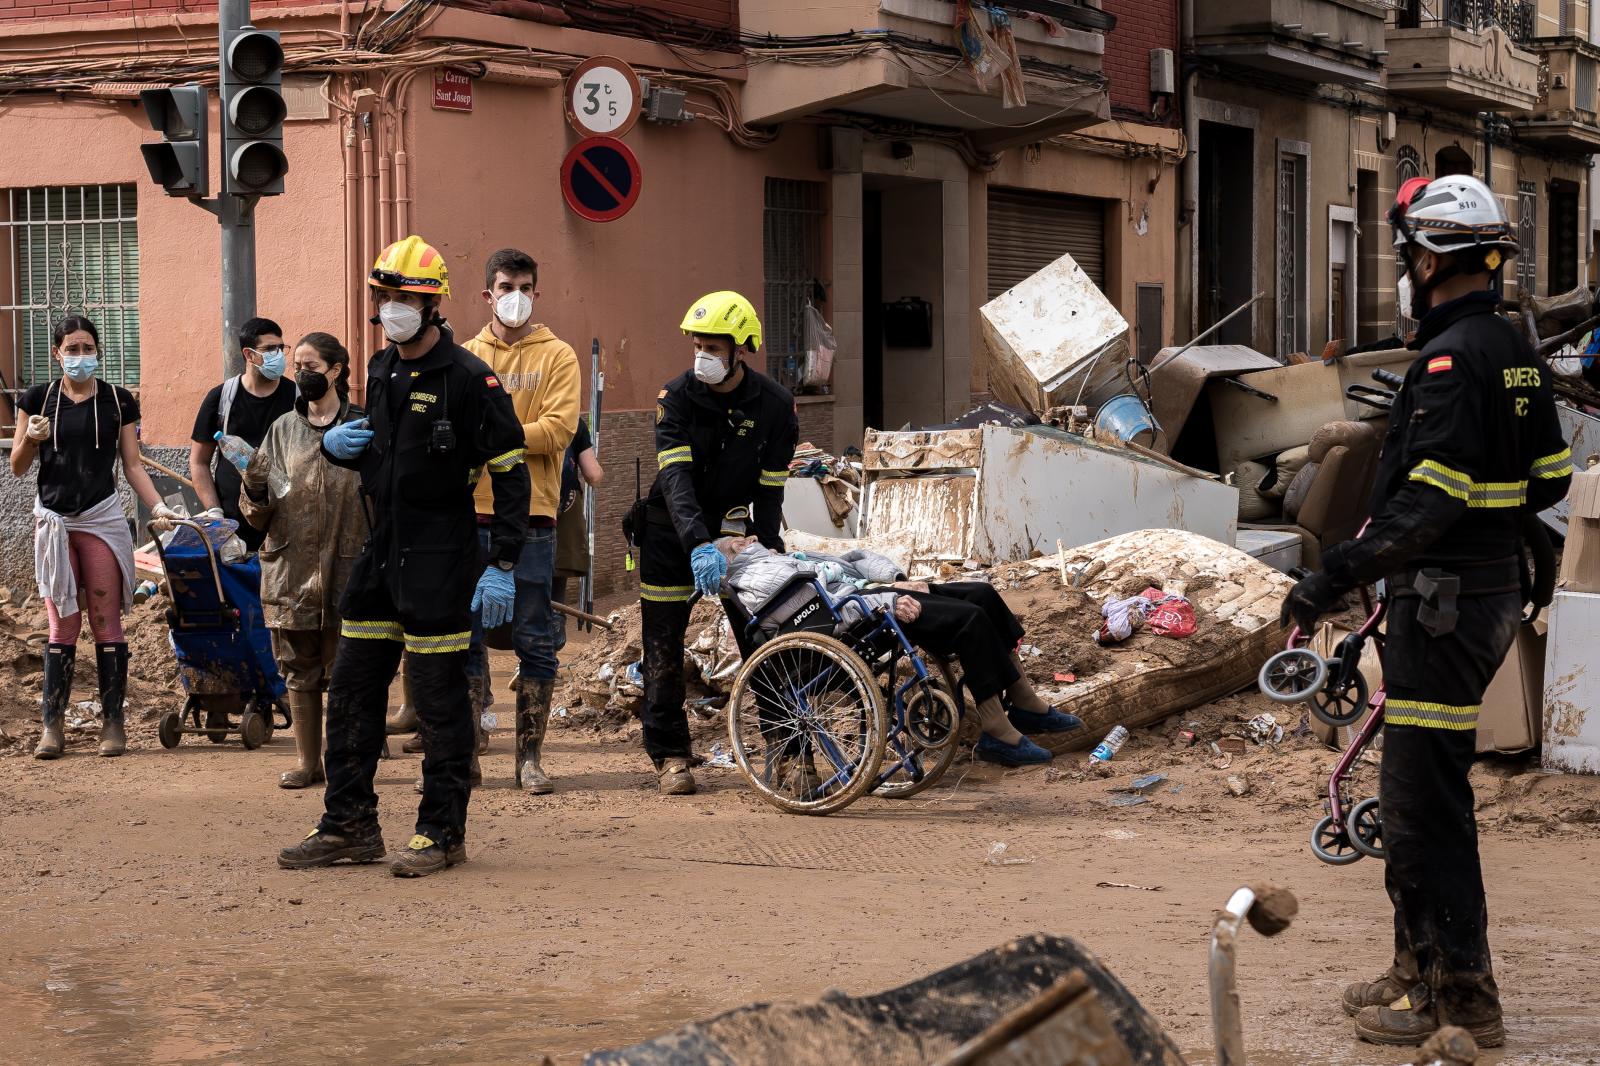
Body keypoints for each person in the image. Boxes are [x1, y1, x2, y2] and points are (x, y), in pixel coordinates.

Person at [1281, 174, 1572, 1050]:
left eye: (1408, 252)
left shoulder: (1448, 363)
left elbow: (1425, 505)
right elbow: (1550, 479)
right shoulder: (1513, 351)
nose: (1404, 268)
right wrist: (1511, 538)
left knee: (1423, 807)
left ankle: (1460, 999)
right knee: (1420, 795)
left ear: (1435, 259)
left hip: (1445, 606)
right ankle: (1418, 968)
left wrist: (1332, 576)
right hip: (1476, 597)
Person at [275, 235, 530, 879]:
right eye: (385, 297)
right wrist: (346, 450)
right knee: (354, 690)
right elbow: (382, 455)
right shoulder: (383, 369)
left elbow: (511, 473)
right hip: (381, 549)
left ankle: (441, 831)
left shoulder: (472, 379)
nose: (392, 308)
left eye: (405, 297)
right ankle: (349, 825)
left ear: (434, 302)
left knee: (441, 702)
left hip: (441, 553)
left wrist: (502, 562)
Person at [633, 291, 798, 795]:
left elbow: (770, 489)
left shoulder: (774, 405)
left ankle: (788, 750)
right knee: (663, 645)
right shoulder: (675, 398)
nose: (702, 353)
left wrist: (766, 549)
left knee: (763, 640)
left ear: (740, 349)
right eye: (697, 344)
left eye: (713, 345)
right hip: (669, 533)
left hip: (735, 535)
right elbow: (677, 479)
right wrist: (697, 544)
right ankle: (671, 756)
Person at [721, 540, 1078, 765]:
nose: (751, 538)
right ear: (734, 556)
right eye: (739, 541)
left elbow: (854, 560)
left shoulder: (781, 557)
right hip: (865, 618)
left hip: (874, 595)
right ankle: (997, 731)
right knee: (971, 619)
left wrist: (895, 578)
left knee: (982, 594)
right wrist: (889, 596)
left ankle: (1026, 702)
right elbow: (828, 609)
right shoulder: (759, 574)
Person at [11, 315, 173, 759]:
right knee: (62, 624)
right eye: (72, 349)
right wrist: (30, 438)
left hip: (101, 518)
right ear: (57, 353)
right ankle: (53, 728)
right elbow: (19, 467)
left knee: (107, 621)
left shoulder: (119, 402)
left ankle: (112, 724)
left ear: (97, 351)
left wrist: (157, 506)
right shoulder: (37, 399)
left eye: (88, 348)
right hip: (54, 520)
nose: (81, 357)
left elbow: (133, 465)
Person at [461, 248, 579, 795]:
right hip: (471, 513)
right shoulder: (466, 355)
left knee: (535, 638)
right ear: (487, 294)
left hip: (534, 516)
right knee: (464, 635)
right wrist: (511, 432)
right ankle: (468, 749)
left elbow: (558, 430)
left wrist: (490, 435)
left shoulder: (559, 356)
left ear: (537, 292)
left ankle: (529, 758)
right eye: (506, 286)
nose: (516, 297)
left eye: (526, 286)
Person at [239, 333, 366, 790]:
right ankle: (307, 762)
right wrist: (253, 487)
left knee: (349, 673)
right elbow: (259, 509)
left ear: (335, 370)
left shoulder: (364, 425)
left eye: (311, 365)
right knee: (298, 668)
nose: (301, 374)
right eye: (297, 366)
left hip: (349, 568)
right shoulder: (282, 430)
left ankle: (344, 764)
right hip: (291, 570)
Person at [190, 317, 297, 553]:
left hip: (283, 524)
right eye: (269, 349)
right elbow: (198, 462)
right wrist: (215, 513)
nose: (278, 354)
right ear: (249, 355)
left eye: (281, 348)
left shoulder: (297, 397)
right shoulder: (221, 398)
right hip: (233, 525)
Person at [552, 416, 603, 653]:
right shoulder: (573, 421)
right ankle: (551, 641)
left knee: (527, 580)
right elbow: (593, 475)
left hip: (524, 507)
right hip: (564, 508)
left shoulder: (522, 409)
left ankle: (531, 650)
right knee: (555, 577)